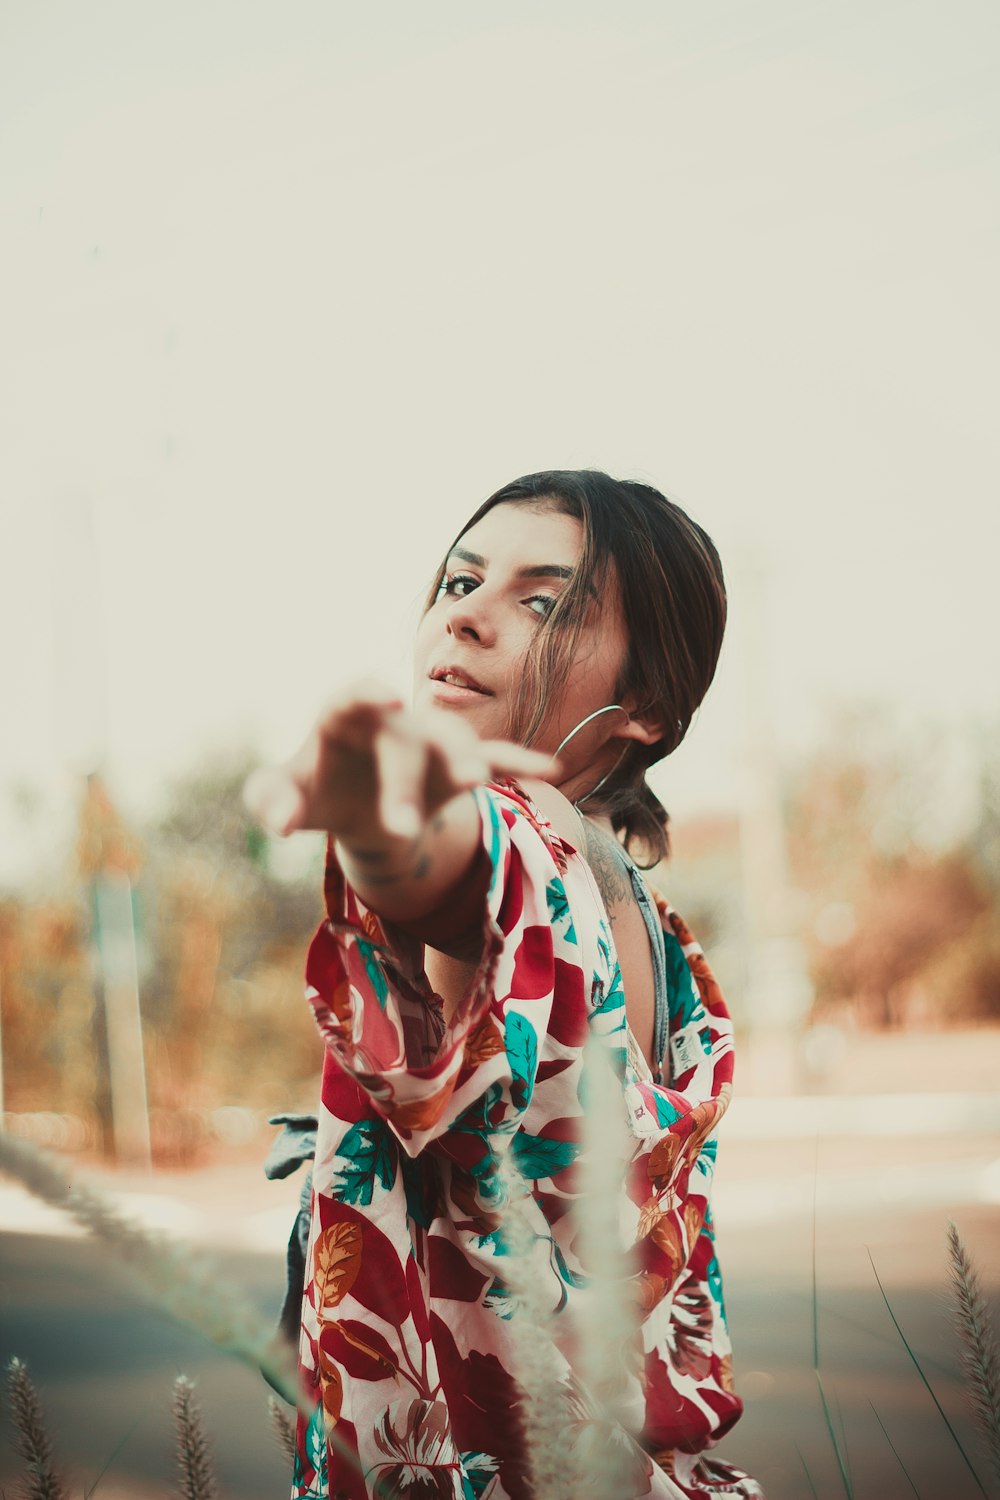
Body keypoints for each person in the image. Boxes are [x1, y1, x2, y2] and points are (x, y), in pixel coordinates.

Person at [247, 470, 762, 1500]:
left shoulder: (532, 844)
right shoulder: (635, 913)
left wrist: (383, 824)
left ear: (647, 705)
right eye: (458, 580)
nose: (468, 616)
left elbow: (454, 866)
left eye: (541, 602)